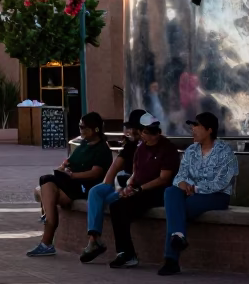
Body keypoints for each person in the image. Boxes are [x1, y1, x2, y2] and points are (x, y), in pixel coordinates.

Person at [158, 111, 237, 276]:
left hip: (216, 196)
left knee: (177, 211)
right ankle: (179, 236)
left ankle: (171, 260)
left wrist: (195, 188)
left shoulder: (225, 152)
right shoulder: (191, 150)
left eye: (196, 126)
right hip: (190, 193)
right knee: (171, 192)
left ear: (209, 130)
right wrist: (182, 183)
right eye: (192, 126)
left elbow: (223, 182)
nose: (192, 130)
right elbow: (180, 175)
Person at [26, 111, 113, 257]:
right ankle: (47, 238)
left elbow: (95, 173)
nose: (81, 130)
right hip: (71, 184)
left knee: (47, 181)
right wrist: (65, 168)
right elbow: (71, 161)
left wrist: (73, 176)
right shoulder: (83, 144)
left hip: (85, 186)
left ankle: (47, 225)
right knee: (47, 184)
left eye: (83, 127)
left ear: (95, 129)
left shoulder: (102, 149)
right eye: (80, 126)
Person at [102, 112, 180, 269]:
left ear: (158, 133)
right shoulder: (141, 149)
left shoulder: (167, 148)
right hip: (139, 189)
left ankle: (128, 253)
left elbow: (164, 178)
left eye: (151, 134)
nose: (147, 137)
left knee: (125, 207)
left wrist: (139, 189)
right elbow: (135, 173)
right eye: (145, 133)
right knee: (116, 206)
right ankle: (125, 252)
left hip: (158, 191)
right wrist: (129, 187)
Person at [79, 109, 146, 263]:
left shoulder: (150, 146)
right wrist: (106, 184)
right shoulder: (130, 146)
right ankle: (94, 239)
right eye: (130, 128)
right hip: (124, 186)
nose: (130, 131)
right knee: (96, 192)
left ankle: (123, 252)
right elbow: (116, 166)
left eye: (133, 127)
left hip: (138, 189)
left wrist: (129, 188)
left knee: (116, 203)